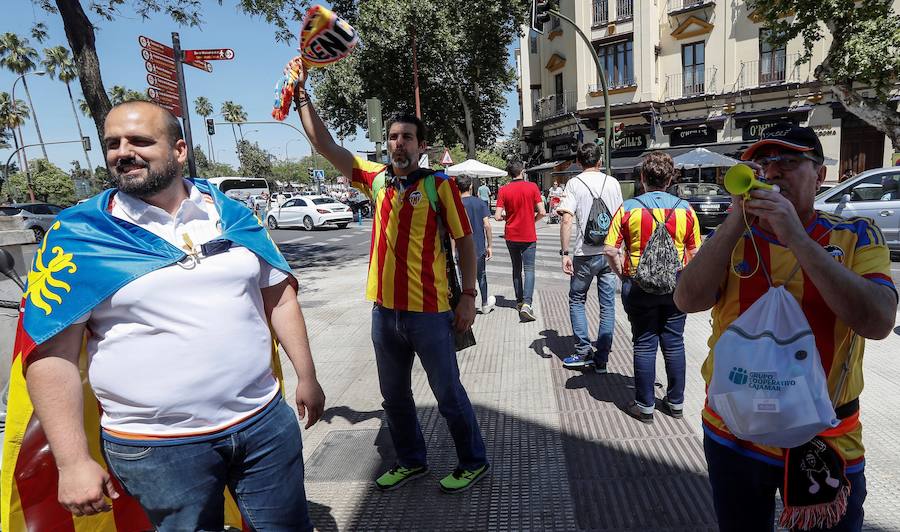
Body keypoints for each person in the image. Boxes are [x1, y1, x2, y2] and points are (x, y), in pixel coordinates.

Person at [9, 101, 325, 530]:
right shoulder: (78, 236)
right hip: (157, 449)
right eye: (113, 143)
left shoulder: (233, 216)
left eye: (140, 141)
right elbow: (50, 356)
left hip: (264, 425)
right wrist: (72, 461)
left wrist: (306, 375)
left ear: (178, 151)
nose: (124, 151)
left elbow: (279, 296)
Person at [675, 124, 897, 531]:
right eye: (763, 164)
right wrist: (732, 224)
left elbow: (879, 321)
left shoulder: (856, 236)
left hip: (825, 437)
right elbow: (687, 300)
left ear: (820, 175)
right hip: (734, 432)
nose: (772, 173)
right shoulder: (734, 237)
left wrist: (796, 236)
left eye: (790, 162)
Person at [292, 65, 489, 494]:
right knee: (394, 399)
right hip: (385, 315)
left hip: (432, 313)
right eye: (394, 137)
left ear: (422, 146)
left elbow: (465, 244)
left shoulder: (440, 187)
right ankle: (412, 460)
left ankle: (473, 460)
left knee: (448, 394)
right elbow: (325, 145)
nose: (398, 143)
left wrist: (469, 296)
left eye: (407, 138)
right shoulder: (376, 180)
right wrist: (302, 96)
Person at [604, 151, 702, 423]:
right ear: (670, 179)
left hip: (638, 285)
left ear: (642, 177)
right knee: (674, 343)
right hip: (676, 286)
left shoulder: (628, 208)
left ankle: (645, 406)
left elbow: (610, 250)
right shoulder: (685, 209)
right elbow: (695, 252)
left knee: (644, 343)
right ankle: (676, 402)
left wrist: (624, 275)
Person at [557, 143, 623, 372]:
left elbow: (566, 219)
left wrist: (565, 253)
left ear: (577, 161)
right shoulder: (613, 183)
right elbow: (621, 217)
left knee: (577, 299)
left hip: (584, 254)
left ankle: (583, 351)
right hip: (609, 252)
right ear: (600, 161)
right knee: (607, 305)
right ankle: (602, 358)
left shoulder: (574, 184)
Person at [495, 161, 546, 322]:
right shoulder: (532, 187)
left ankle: (518, 301)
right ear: (522, 172)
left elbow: (497, 216)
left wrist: (508, 217)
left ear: (510, 173)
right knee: (529, 269)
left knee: (516, 268)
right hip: (528, 235)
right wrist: (532, 220)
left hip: (511, 235)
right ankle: (527, 304)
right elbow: (543, 212)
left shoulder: (503, 190)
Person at [458, 174, 495, 314]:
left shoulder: (455, 204)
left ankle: (467, 307)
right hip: (478, 247)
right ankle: (485, 304)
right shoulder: (479, 203)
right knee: (481, 275)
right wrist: (490, 246)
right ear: (471, 186)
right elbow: (487, 226)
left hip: (461, 248)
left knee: (463, 278)